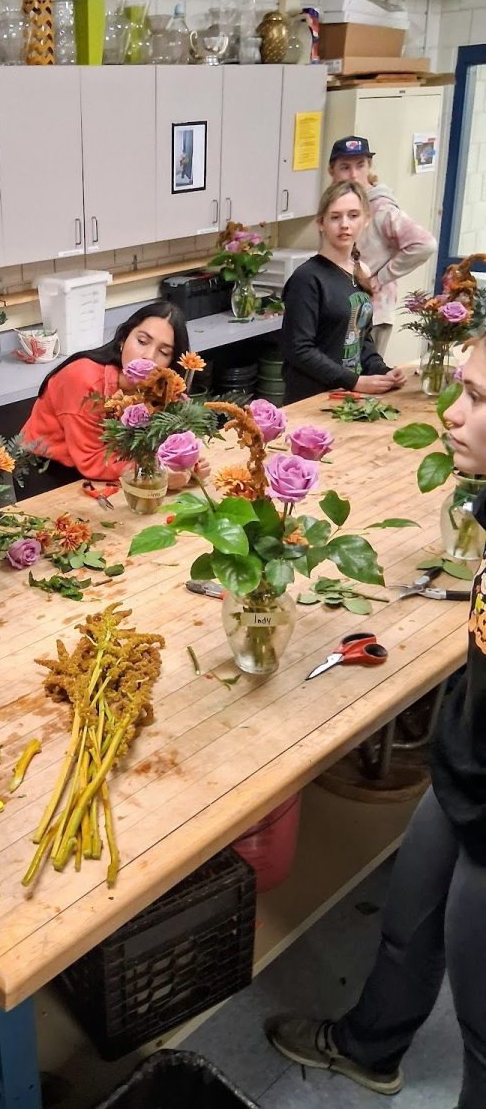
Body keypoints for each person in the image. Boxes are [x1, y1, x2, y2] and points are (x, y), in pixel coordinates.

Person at [266, 332, 486, 1108]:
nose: (452, 414)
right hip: (462, 765)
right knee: (405, 924)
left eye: (480, 399)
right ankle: (370, 1048)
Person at [20, 300, 211, 493]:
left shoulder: (159, 388)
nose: (148, 356)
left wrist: (183, 464)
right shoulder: (82, 378)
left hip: (107, 469)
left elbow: (156, 443)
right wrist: (155, 474)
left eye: (163, 352)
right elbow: (91, 460)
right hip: (48, 473)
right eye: (142, 341)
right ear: (123, 339)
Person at [281, 180, 407, 405]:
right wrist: (354, 381)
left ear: (366, 220)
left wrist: (382, 371)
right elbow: (299, 350)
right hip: (313, 401)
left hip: (349, 398)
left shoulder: (361, 271)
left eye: (353, 215)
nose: (345, 225)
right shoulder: (307, 279)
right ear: (321, 223)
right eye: (335, 217)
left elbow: (362, 340)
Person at [328, 135, 437, 356]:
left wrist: (381, 278)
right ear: (332, 171)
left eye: (360, 165)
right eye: (345, 167)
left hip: (372, 314)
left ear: (369, 167)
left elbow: (425, 244)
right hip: (342, 309)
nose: (353, 174)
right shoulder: (338, 203)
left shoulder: (382, 208)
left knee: (364, 379)